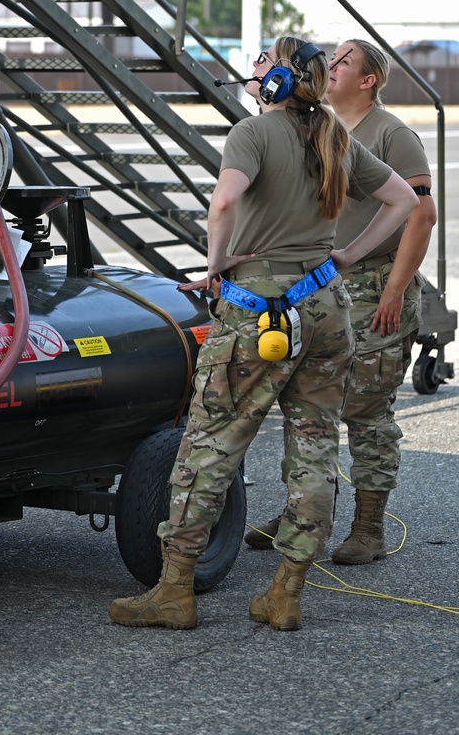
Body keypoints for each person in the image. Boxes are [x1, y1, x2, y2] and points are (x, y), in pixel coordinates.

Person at [108, 36, 418, 633]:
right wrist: (345, 256)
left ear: (279, 80)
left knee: (210, 445)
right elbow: (404, 199)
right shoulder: (333, 136)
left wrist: (216, 266)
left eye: (263, 60)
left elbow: (223, 202)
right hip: (326, 309)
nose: (254, 68)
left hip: (258, 312)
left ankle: (174, 590)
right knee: (315, 448)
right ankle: (286, 593)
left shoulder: (253, 133)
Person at [244, 38, 436, 565]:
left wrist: (395, 289)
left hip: (377, 288)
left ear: (368, 79)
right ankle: (298, 513)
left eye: (344, 62)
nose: (331, 67)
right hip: (324, 288)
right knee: (307, 406)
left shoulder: (390, 134)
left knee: (367, 411)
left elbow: (421, 215)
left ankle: (369, 527)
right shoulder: (321, 124)